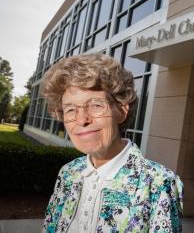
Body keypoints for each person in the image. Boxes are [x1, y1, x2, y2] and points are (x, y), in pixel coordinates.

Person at [42, 54, 183, 233]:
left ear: (122, 111)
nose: (82, 119)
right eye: (70, 110)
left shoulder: (160, 183)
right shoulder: (68, 173)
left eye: (95, 105)